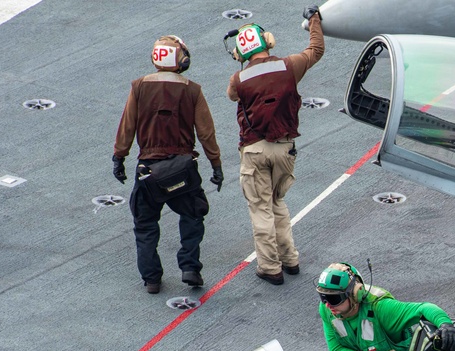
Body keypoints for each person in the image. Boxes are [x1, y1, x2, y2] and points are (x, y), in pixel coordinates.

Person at [113, 35, 223, 294]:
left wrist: (119, 157)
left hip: (148, 171)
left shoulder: (139, 87)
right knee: (193, 214)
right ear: (181, 60)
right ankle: (190, 267)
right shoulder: (192, 90)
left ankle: (152, 279)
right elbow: (206, 133)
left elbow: (127, 126)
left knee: (145, 224)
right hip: (182, 168)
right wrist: (216, 165)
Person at [226, 9, 324, 286]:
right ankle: (290, 259)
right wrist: (314, 21)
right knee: (277, 202)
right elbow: (316, 49)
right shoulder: (289, 66)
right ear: (268, 42)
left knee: (261, 209)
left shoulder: (239, 79)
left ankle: (270, 267)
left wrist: (242, 68)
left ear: (241, 53)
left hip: (255, 150)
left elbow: (232, 95)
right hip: (285, 149)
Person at [316, 262, 455, 351]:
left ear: (355, 293)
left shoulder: (381, 308)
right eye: (323, 298)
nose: (328, 305)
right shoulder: (327, 309)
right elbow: (337, 348)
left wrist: (445, 324)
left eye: (334, 299)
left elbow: (423, 308)